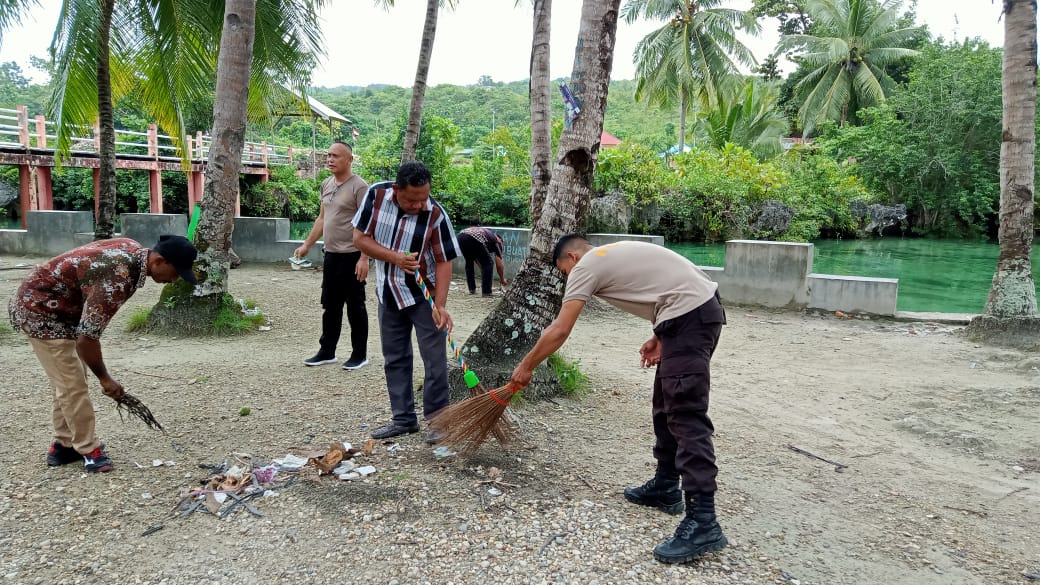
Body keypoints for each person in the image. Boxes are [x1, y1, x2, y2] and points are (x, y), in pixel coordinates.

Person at [509, 234, 728, 564]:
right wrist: (660, 332)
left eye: (564, 271)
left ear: (572, 257)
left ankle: (703, 521)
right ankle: (667, 486)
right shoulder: (614, 252)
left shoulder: (586, 265)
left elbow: (560, 329)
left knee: (685, 414)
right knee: (666, 406)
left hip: (690, 318)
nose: (569, 278)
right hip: (689, 313)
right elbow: (670, 281)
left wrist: (526, 366)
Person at [8, 235, 198, 473]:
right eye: (176, 272)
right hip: (40, 310)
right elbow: (87, 339)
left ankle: (64, 446)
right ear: (159, 261)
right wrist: (106, 378)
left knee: (69, 381)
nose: (174, 280)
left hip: (57, 308)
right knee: (71, 384)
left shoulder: (133, 249)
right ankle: (88, 450)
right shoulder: (117, 280)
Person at [352, 161, 461, 443]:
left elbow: (444, 261)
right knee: (395, 358)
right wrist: (395, 258)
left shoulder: (435, 215)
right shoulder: (376, 196)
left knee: (434, 360)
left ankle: (438, 421)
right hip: (387, 292)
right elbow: (359, 239)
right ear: (397, 190)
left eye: (423, 198)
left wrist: (440, 305)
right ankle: (403, 419)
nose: (418, 205)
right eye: (412, 199)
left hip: (422, 297)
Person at [294, 141, 370, 370]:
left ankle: (360, 354)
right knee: (330, 305)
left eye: (335, 156)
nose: (330, 159)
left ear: (349, 159)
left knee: (355, 306)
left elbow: (368, 224)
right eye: (328, 155)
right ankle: (327, 351)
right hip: (332, 255)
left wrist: (364, 257)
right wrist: (307, 244)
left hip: (352, 255)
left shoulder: (360, 187)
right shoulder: (327, 183)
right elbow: (322, 218)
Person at [457, 226, 508, 296]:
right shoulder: (497, 241)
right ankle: (487, 292)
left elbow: (477, 258)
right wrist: (502, 279)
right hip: (473, 237)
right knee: (489, 263)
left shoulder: (486, 237)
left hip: (460, 237)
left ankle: (472, 289)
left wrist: (484, 270)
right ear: (500, 240)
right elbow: (499, 265)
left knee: (469, 261)